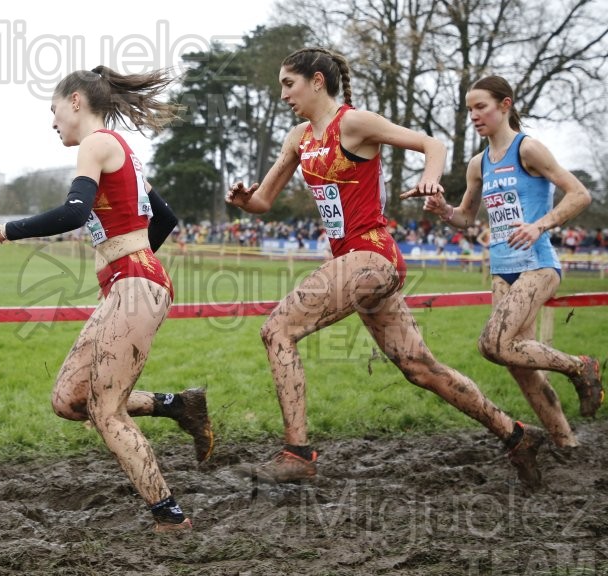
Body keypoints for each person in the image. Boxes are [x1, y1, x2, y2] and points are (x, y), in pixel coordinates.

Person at [226, 48, 546, 489]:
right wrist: (245, 201)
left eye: (288, 84)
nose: (283, 94)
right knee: (420, 368)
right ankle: (516, 435)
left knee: (277, 331)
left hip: (372, 255)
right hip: (354, 264)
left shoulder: (354, 123)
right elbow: (264, 201)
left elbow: (432, 144)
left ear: (317, 81)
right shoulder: (298, 137)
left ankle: (298, 453)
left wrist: (432, 177)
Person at [0, 66, 213, 532]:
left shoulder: (95, 144)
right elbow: (167, 218)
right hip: (128, 282)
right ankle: (177, 405)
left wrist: (4, 230)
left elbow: (75, 212)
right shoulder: (123, 153)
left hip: (135, 284)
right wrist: (130, 263)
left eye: (53, 109)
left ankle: (170, 517)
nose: (52, 121)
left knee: (105, 409)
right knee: (69, 399)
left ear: (75, 101)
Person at [421, 75, 604, 453]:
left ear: (505, 105)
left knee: (493, 343)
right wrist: (443, 210)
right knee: (518, 364)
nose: (473, 115)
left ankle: (579, 365)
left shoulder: (528, 149)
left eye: (481, 106)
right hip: (501, 268)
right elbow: (466, 218)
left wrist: (540, 225)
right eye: (469, 108)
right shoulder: (478, 163)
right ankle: (566, 443)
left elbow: (580, 194)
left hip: (537, 265)